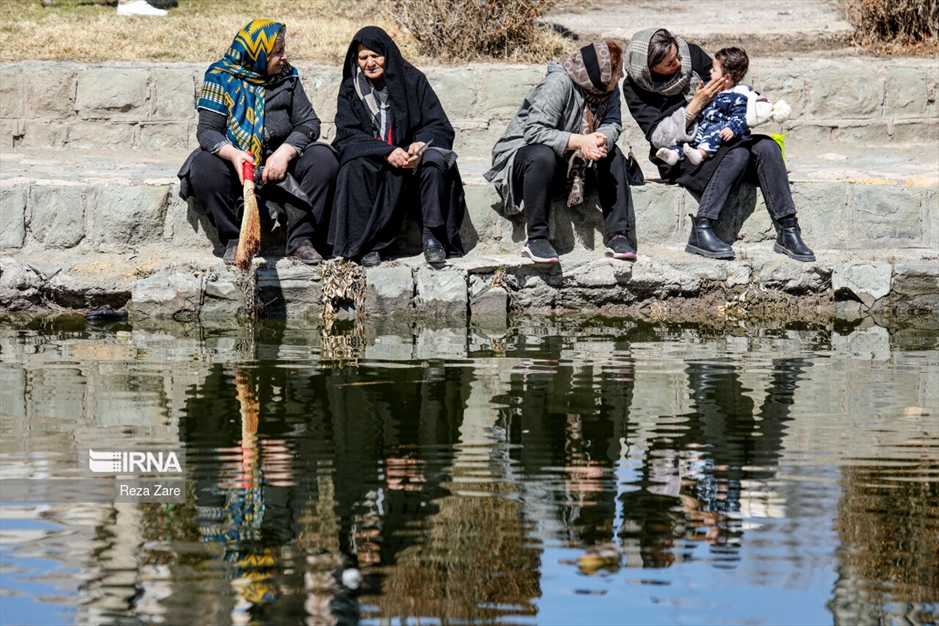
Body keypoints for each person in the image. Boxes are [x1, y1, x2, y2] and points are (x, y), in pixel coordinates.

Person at [622, 29, 814, 262]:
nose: (679, 64)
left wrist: (758, 100)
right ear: (650, 68)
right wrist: (695, 106)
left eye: (677, 56)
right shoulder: (635, 87)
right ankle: (702, 228)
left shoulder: (690, 55)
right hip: (684, 155)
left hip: (722, 136)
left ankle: (788, 230)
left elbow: (730, 83)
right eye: (670, 63)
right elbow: (659, 138)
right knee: (740, 154)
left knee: (767, 146)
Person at [178, 20, 338, 264]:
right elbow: (208, 131)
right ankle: (235, 239)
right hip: (238, 166)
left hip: (280, 166)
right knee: (203, 166)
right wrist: (234, 155)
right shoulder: (220, 77)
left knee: (324, 159)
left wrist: (285, 152)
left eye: (284, 50)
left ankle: (302, 240)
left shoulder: (287, 77)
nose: (285, 57)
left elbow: (309, 123)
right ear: (257, 55)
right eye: (277, 52)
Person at [485, 40, 636, 264]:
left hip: (569, 161)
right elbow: (534, 131)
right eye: (618, 71)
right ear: (603, 75)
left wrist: (598, 140)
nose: (621, 75)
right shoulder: (559, 82)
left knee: (612, 154)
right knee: (542, 155)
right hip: (526, 159)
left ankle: (618, 236)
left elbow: (613, 122)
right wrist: (581, 141)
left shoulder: (608, 89)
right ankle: (536, 239)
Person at [330, 26, 466, 267]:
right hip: (376, 158)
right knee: (355, 166)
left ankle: (433, 237)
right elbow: (347, 134)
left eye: (376, 56)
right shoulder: (352, 88)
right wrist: (385, 151)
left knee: (435, 160)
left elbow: (439, 125)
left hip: (411, 160)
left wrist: (419, 145)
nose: (369, 63)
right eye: (363, 57)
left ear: (388, 54)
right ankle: (366, 245)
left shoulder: (413, 80)